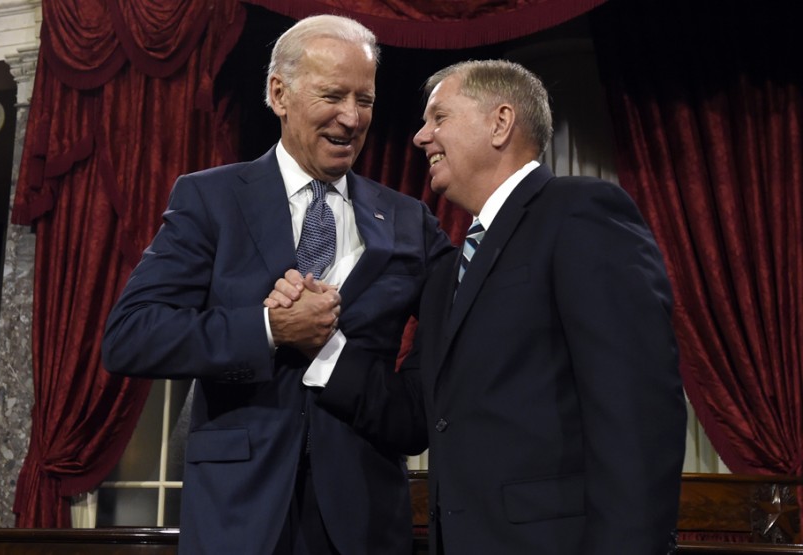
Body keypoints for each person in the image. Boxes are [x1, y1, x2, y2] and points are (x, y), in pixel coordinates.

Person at [273, 59, 687, 554]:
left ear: (500, 122)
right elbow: (414, 416)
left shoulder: (580, 212)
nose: (420, 137)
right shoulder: (448, 269)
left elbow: (638, 410)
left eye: (438, 118)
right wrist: (324, 345)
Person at [100, 14, 452, 555]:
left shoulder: (410, 221)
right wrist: (268, 326)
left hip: (364, 514)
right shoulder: (210, 200)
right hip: (239, 514)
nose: (352, 118)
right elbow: (131, 335)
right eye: (333, 95)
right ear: (279, 93)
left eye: (366, 100)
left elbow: (452, 336)